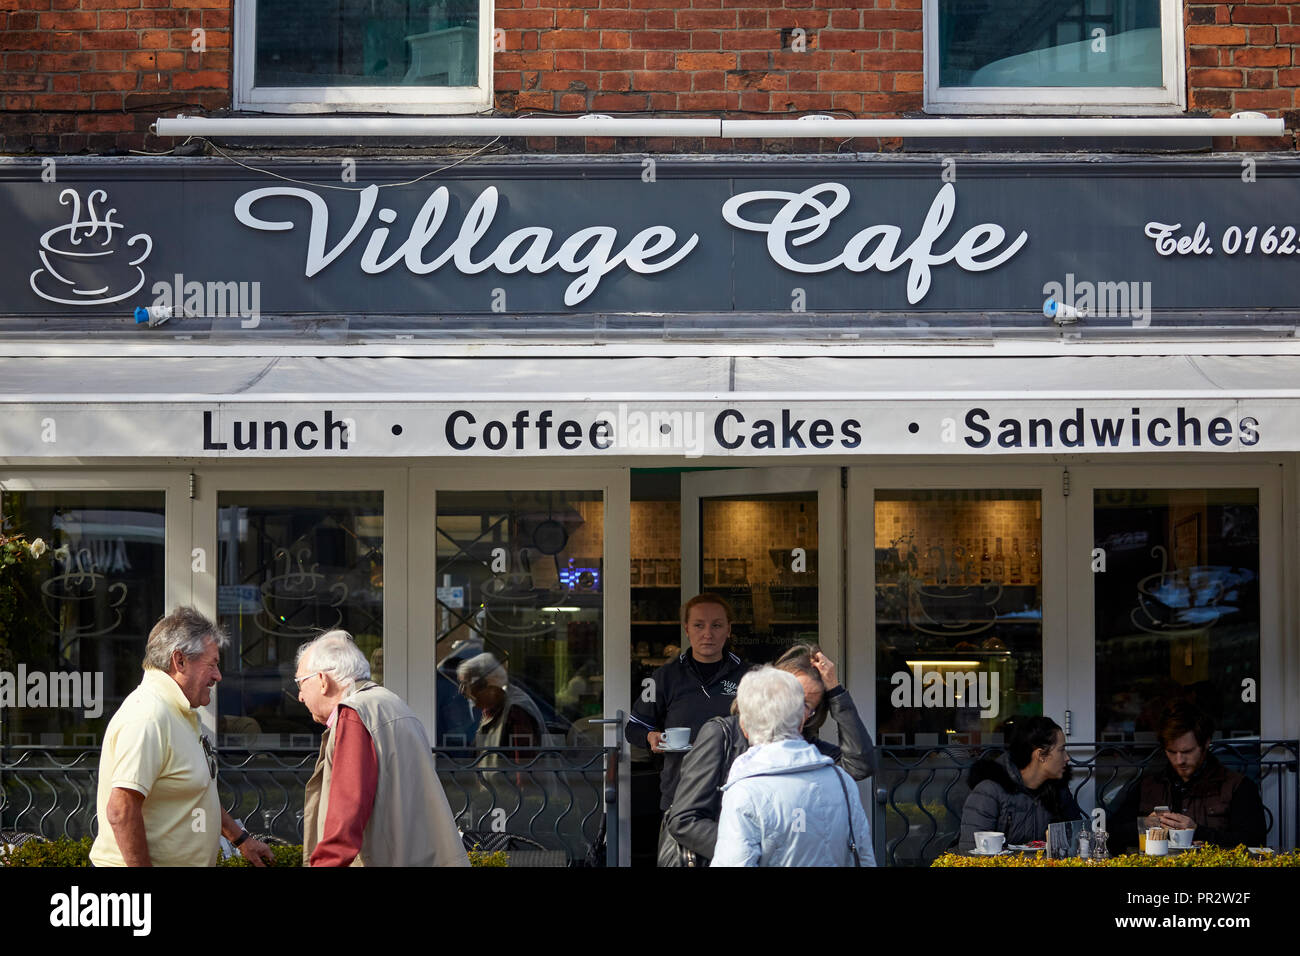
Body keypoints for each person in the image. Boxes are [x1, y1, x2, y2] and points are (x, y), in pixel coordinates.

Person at [90, 607, 275, 867]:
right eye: (212, 664)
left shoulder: (176, 710)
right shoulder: (149, 715)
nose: (218, 676)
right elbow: (121, 810)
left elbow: (195, 791)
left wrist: (241, 839)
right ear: (180, 661)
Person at [665, 643, 874, 865]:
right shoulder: (722, 734)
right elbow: (684, 819)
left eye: (807, 705)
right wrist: (751, 846)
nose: (795, 710)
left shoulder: (808, 749)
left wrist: (836, 692)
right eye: (791, 697)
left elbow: (859, 765)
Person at [297, 630, 469, 867]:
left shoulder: (355, 713)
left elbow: (346, 813)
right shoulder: (389, 702)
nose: (300, 696)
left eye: (300, 683)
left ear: (323, 681)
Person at [624, 593, 750, 862]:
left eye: (716, 625)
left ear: (728, 630)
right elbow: (633, 728)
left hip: (735, 790)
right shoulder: (664, 677)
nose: (708, 634)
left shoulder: (749, 676)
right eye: (699, 625)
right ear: (686, 629)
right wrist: (651, 736)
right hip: (679, 792)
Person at [711, 667, 874, 867]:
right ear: (800, 724)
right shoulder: (842, 781)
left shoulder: (744, 792)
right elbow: (864, 857)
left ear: (744, 727)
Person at [1113, 700, 1266, 851]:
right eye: (1172, 752)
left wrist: (1197, 831)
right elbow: (1111, 836)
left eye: (1187, 752)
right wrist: (1145, 825)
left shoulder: (1237, 786)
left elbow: (1255, 843)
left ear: (1206, 743)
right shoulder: (1148, 785)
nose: (1179, 761)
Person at [957, 715, 1084, 852]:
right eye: (1061, 750)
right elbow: (971, 853)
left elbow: (1077, 841)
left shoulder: (1058, 790)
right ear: (1040, 755)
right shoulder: (989, 791)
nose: (1067, 758)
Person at [456, 651, 548, 754]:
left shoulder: (515, 711)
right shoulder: (492, 709)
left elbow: (524, 765)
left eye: (465, 683)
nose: (462, 691)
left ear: (486, 683)